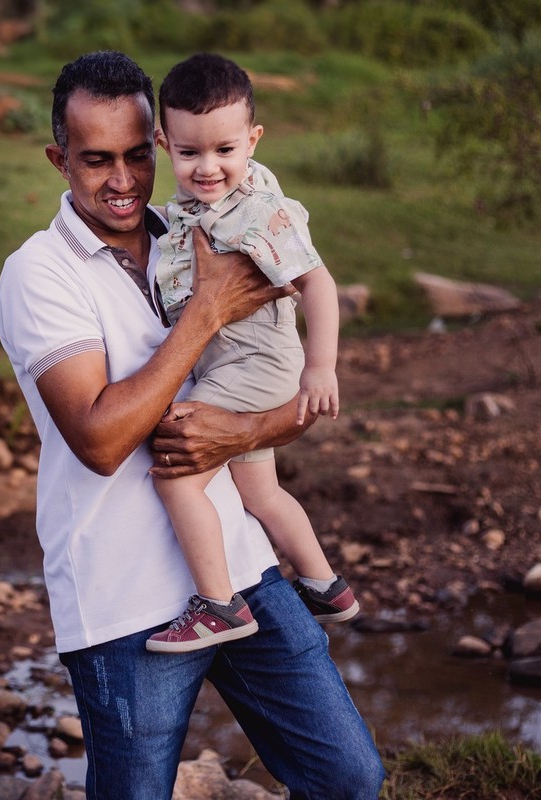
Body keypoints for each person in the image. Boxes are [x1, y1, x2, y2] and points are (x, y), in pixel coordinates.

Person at [0, 52, 384, 799]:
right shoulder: (39, 272)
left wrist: (246, 432)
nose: (123, 179)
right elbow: (102, 441)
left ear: (158, 146)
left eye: (137, 156)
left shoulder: (201, 227)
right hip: (124, 598)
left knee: (348, 777)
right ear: (59, 160)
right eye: (97, 160)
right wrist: (205, 312)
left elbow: (274, 396)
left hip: (241, 570)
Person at [146, 53, 356, 653]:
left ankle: (220, 604)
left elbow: (319, 283)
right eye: (189, 152)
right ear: (164, 144)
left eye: (225, 150)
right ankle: (326, 586)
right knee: (259, 492)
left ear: (253, 140)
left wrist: (320, 367)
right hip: (238, 362)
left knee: (177, 474)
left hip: (254, 364)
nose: (208, 167)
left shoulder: (261, 212)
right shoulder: (197, 207)